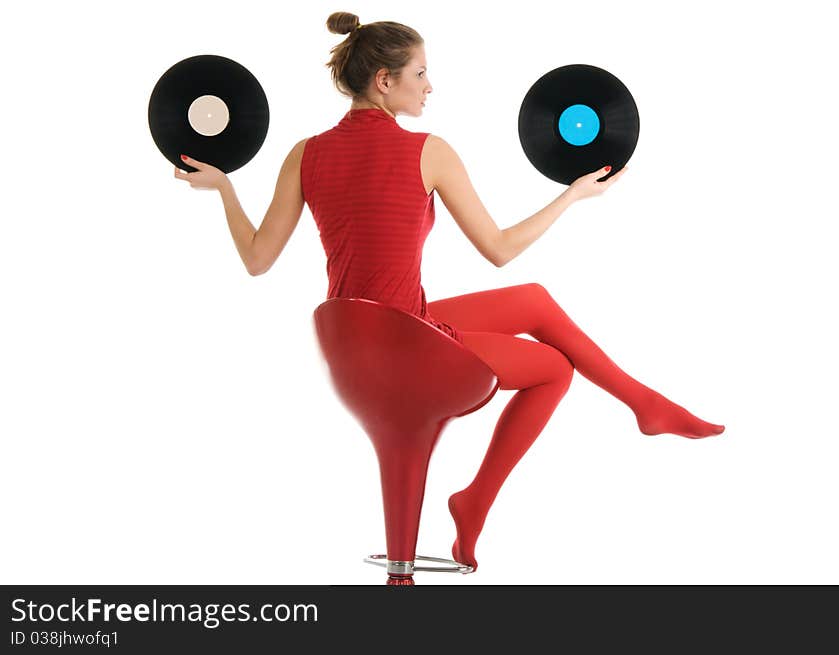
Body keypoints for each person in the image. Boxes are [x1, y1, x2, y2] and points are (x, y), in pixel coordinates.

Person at [173, 11, 725, 572]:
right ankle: (479, 501)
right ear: (384, 81)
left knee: (532, 299)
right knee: (555, 369)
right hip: (405, 348)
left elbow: (257, 259)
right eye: (420, 72)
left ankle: (645, 404)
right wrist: (573, 196)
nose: (430, 85)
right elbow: (498, 247)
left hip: (353, 345)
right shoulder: (428, 151)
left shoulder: (304, 153)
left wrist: (223, 188)